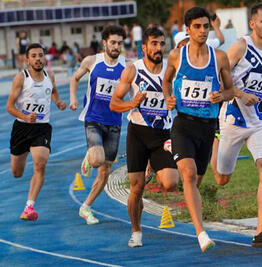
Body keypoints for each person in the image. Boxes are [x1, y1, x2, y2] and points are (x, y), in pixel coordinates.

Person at [211, 2, 262, 251]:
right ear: (252, 23)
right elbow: (218, 81)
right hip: (233, 120)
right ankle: (213, 141)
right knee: (222, 178)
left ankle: (261, 232)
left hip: (260, 122)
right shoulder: (240, 47)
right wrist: (239, 93)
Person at [162, 6, 234, 252]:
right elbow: (166, 80)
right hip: (183, 123)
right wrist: (169, 98)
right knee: (189, 175)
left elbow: (231, 90)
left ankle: (195, 214)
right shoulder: (176, 56)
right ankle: (201, 232)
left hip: (207, 127)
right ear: (187, 30)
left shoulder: (220, 57)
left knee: (195, 180)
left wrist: (221, 95)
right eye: (197, 27)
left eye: (205, 26)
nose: (203, 31)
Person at [110, 26, 179, 248]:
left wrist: (174, 102)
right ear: (144, 46)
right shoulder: (132, 70)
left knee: (169, 184)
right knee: (136, 188)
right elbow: (114, 103)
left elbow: (181, 96)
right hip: (138, 133)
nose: (158, 48)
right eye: (154, 44)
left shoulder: (171, 70)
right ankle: (136, 231)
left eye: (161, 44)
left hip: (163, 135)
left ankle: (154, 167)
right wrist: (133, 103)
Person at [69, 25, 126, 225]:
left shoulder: (127, 66)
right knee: (96, 160)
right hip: (93, 118)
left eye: (119, 43)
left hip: (114, 122)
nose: (116, 46)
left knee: (105, 171)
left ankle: (86, 207)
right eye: (112, 42)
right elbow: (75, 78)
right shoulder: (92, 61)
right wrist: (73, 98)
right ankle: (90, 155)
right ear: (104, 43)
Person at [6, 43, 66, 221]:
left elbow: (53, 92)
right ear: (28, 59)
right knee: (17, 173)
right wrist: (25, 116)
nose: (38, 59)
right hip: (22, 129)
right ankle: (22, 157)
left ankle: (29, 207)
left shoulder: (50, 75)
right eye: (34, 56)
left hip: (42, 127)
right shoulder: (21, 78)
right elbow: (9, 106)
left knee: (40, 164)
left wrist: (58, 102)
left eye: (40, 55)